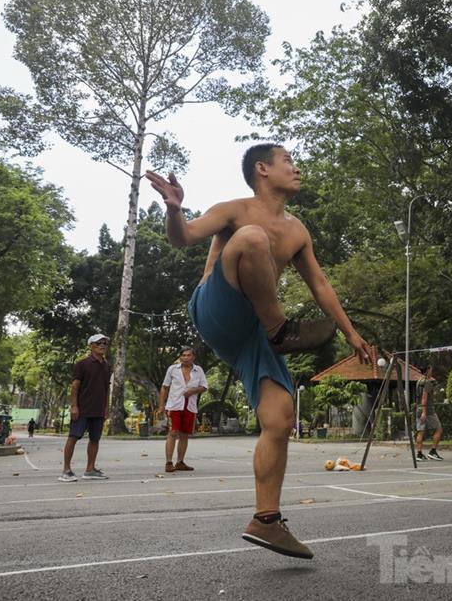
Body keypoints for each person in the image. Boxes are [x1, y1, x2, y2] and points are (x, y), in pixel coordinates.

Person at [145, 143, 371, 560]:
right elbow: (183, 239)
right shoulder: (234, 211)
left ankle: (266, 520)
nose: (297, 167)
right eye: (289, 161)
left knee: (280, 416)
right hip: (217, 307)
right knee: (251, 238)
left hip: (255, 330)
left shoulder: (298, 230)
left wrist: (352, 333)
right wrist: (175, 208)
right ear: (263, 169)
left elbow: (320, 285)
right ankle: (279, 329)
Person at [60, 334, 112, 482]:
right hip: (82, 408)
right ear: (91, 346)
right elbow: (75, 386)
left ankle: (90, 470)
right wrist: (74, 406)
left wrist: (106, 407)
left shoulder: (107, 366)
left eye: (105, 343)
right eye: (98, 343)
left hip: (98, 409)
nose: (102, 345)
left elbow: (106, 388)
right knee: (73, 437)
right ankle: (66, 470)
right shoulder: (82, 364)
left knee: (95, 439)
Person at [159, 346, 209, 473]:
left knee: (184, 434)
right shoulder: (172, 369)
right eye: (184, 355)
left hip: (190, 406)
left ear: (193, 357)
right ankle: (169, 462)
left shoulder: (199, 371)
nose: (186, 358)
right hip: (174, 405)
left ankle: (180, 462)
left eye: (189, 355)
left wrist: (193, 390)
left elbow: (204, 387)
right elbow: (165, 387)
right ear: (180, 357)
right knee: (173, 432)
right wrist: (161, 406)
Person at [415, 365, 443, 461]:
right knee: (439, 429)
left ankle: (419, 454)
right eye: (431, 370)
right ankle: (433, 451)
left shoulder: (419, 381)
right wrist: (424, 412)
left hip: (418, 409)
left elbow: (434, 381)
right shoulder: (427, 383)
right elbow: (424, 397)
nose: (432, 371)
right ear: (427, 371)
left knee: (420, 431)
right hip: (428, 410)